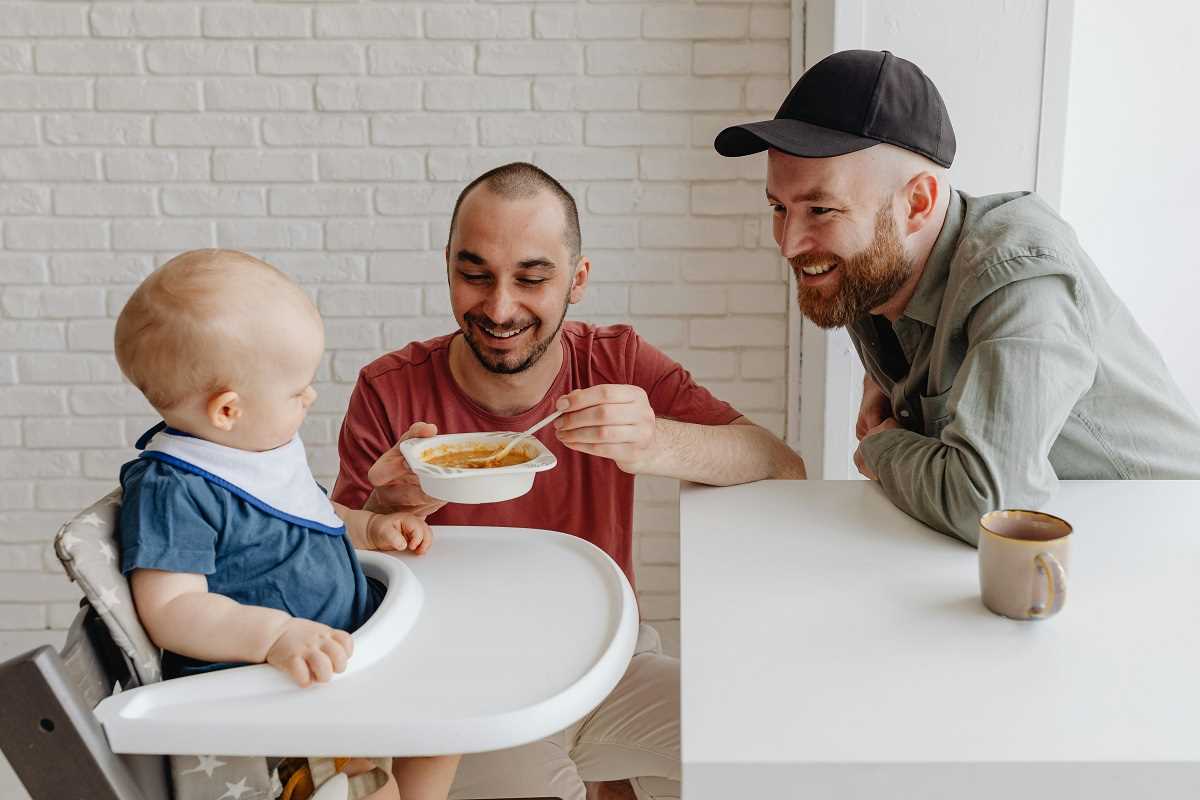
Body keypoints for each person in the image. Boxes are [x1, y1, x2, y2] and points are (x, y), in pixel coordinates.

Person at [332, 162, 807, 800]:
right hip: (467, 686)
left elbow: (780, 466)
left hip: (612, 661)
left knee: (778, 747)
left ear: (577, 279)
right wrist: (385, 507)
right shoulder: (389, 391)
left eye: (532, 278)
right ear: (448, 266)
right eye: (475, 276)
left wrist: (656, 439)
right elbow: (333, 578)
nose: (500, 309)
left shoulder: (616, 361)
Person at [714, 48, 1200, 542]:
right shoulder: (874, 272)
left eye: (821, 209)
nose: (790, 243)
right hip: (1054, 560)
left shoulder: (1022, 279)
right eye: (779, 207)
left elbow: (989, 504)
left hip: (1166, 553)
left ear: (917, 203)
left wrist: (884, 447)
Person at [113, 250, 460, 800]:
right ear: (228, 409)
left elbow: (307, 519)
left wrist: (368, 528)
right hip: (279, 698)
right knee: (375, 789)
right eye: (297, 390)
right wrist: (274, 635)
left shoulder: (255, 448)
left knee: (446, 727)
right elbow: (172, 610)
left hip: (348, 657)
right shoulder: (176, 488)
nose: (311, 397)